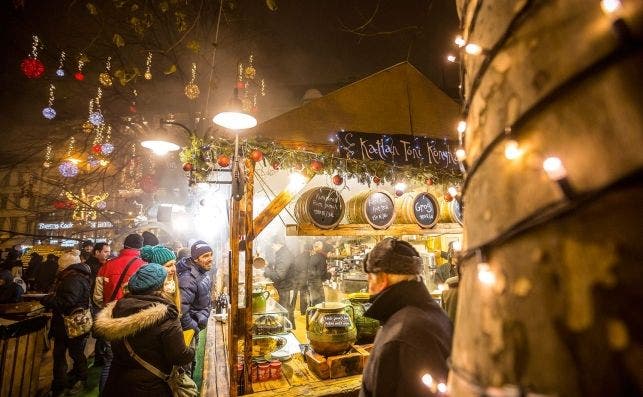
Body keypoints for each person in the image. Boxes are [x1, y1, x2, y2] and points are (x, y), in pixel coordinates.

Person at [359, 238, 453, 397]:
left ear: (382, 279)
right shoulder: (434, 313)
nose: (368, 287)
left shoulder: (402, 335)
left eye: (370, 278)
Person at [94, 263, 195, 397]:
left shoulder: (118, 307)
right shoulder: (167, 315)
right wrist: (191, 348)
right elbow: (179, 356)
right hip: (151, 386)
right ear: (160, 287)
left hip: (117, 382)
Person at [93, 233, 146, 392]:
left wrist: (107, 307)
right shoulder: (144, 266)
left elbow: (97, 297)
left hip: (110, 320)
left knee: (110, 363)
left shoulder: (106, 266)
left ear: (125, 245)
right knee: (133, 362)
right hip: (133, 321)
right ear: (140, 247)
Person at [41, 250, 91, 397]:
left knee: (71, 354)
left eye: (60, 266)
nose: (59, 269)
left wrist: (48, 300)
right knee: (67, 354)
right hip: (69, 325)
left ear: (66, 266)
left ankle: (76, 380)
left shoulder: (72, 279)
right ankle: (62, 383)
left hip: (69, 325)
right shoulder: (77, 276)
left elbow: (68, 301)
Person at [177, 240, 213, 374]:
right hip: (188, 331)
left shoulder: (201, 271)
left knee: (192, 362)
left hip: (195, 326)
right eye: (205, 256)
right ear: (196, 259)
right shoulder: (188, 278)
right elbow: (181, 310)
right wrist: (194, 328)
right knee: (186, 368)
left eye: (210, 254)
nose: (210, 259)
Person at [86, 242, 111, 366]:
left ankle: (99, 357)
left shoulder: (104, 265)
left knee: (101, 333)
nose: (108, 254)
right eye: (105, 252)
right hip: (94, 303)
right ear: (97, 252)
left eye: (108, 251)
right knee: (100, 332)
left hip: (99, 303)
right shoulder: (91, 267)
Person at [263, 235, 295, 325]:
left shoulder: (284, 255)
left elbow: (278, 276)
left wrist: (265, 268)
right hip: (284, 288)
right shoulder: (281, 253)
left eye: (273, 244)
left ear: (279, 243)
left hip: (286, 289)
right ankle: (288, 329)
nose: (272, 247)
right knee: (286, 313)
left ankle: (287, 332)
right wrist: (269, 265)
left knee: (284, 314)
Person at [140, 245, 181, 311]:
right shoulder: (149, 293)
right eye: (169, 265)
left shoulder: (172, 285)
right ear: (156, 269)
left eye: (174, 264)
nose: (174, 269)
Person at [308, 241, 330, 307]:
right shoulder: (321, 257)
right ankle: (318, 316)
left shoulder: (313, 257)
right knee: (320, 302)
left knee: (315, 302)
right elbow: (321, 272)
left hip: (313, 281)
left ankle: (314, 316)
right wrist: (328, 276)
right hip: (316, 281)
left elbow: (311, 270)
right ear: (321, 248)